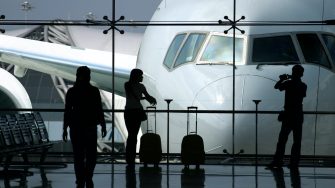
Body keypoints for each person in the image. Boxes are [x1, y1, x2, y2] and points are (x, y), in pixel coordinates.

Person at [63, 66, 107, 188]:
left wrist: (64, 128)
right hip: (90, 126)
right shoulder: (94, 91)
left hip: (76, 127)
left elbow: (67, 111)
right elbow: (99, 109)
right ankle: (88, 176)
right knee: (91, 155)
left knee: (78, 156)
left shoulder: (72, 91)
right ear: (88, 76)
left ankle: (80, 179)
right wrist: (103, 124)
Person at [267, 64, 307, 169]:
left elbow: (276, 87)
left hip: (288, 115)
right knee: (297, 141)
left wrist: (282, 79)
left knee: (282, 140)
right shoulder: (303, 85)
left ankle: (278, 161)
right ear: (301, 74)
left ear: (294, 72)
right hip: (298, 115)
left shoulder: (288, 84)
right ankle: (294, 163)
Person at [124, 68, 156, 168]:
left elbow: (133, 96)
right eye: (141, 75)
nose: (142, 77)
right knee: (134, 134)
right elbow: (146, 96)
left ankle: (129, 158)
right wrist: (147, 98)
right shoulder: (142, 86)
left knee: (131, 134)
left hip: (129, 111)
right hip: (137, 111)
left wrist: (142, 97)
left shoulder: (127, 85)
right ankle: (132, 157)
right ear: (137, 76)